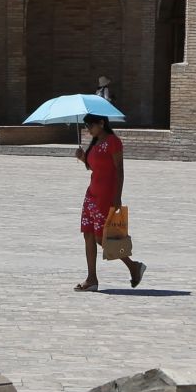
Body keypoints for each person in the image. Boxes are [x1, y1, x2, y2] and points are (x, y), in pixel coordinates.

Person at [73, 114, 146, 291]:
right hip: (91, 195)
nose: (88, 129)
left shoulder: (114, 142)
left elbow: (119, 171)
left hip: (106, 195)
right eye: (86, 126)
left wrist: (117, 196)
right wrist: (83, 158)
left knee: (102, 237)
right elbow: (96, 167)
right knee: (88, 234)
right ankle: (91, 279)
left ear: (101, 123)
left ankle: (133, 266)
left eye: (90, 125)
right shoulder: (95, 143)